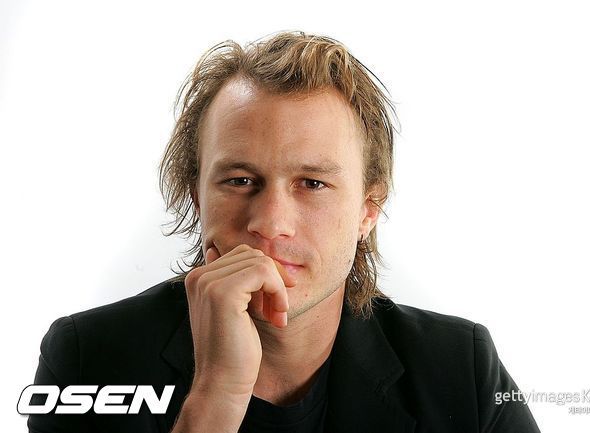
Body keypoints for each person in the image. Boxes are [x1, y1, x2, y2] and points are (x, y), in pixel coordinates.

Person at [27, 31, 540, 432]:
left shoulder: (459, 367)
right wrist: (216, 394)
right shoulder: (87, 359)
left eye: (313, 183)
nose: (271, 222)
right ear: (196, 195)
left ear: (368, 210)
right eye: (240, 180)